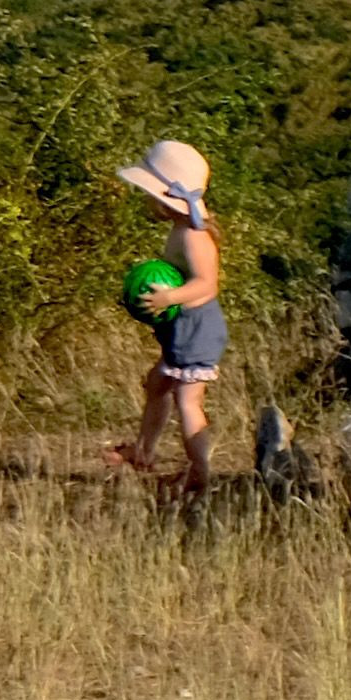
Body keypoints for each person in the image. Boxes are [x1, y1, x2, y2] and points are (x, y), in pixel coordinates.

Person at [111, 140, 226, 497]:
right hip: (184, 327)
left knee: (188, 402)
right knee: (157, 384)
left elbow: (206, 285)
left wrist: (168, 297)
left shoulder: (194, 235)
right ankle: (144, 452)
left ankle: (200, 472)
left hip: (197, 328)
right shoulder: (182, 229)